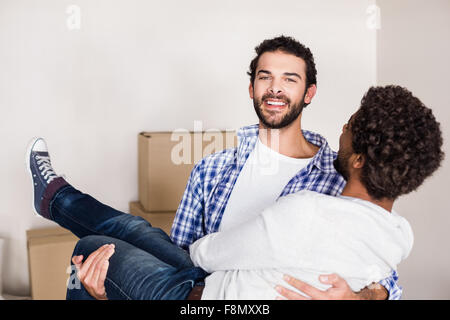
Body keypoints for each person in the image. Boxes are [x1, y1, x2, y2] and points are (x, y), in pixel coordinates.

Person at [27, 85, 443, 300]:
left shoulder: (308, 211)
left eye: (351, 126)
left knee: (96, 245)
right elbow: (384, 282)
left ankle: (61, 210)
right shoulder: (399, 236)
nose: (342, 131)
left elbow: (205, 254)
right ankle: (53, 195)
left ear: (359, 161)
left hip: (203, 294)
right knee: (137, 227)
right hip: (214, 280)